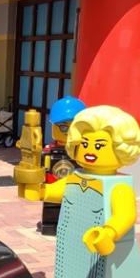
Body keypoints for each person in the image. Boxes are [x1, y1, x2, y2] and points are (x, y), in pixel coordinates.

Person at [15, 105, 140, 278]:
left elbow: (126, 214)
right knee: (71, 271)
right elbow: (56, 191)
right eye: (85, 144)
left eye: (99, 145)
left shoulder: (117, 186)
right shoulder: (77, 176)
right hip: (73, 244)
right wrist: (35, 189)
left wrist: (110, 231)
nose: (90, 150)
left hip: (100, 248)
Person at [38, 96, 86, 235]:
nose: (68, 132)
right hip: (53, 184)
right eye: (63, 127)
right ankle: (50, 225)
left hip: (76, 187)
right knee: (51, 207)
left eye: (73, 127)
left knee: (76, 207)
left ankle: (75, 226)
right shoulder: (49, 150)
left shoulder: (83, 151)